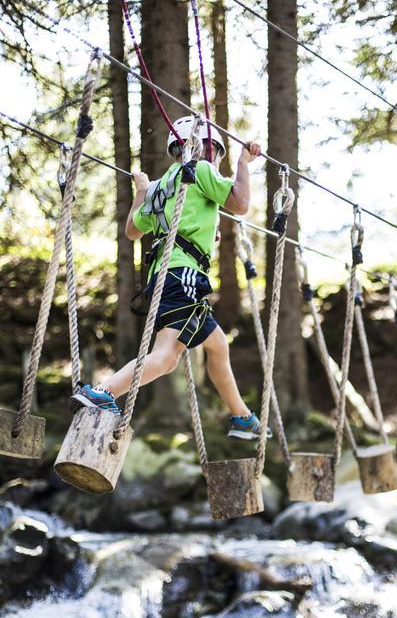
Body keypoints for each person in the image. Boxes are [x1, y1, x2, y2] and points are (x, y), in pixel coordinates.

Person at [70, 116, 270, 440]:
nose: (217, 162)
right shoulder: (201, 170)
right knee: (167, 357)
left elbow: (133, 230)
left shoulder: (163, 186)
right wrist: (244, 164)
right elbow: (241, 203)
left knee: (209, 348)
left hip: (163, 278)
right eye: (218, 155)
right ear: (209, 150)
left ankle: (242, 418)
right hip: (183, 275)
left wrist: (141, 191)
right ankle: (102, 392)